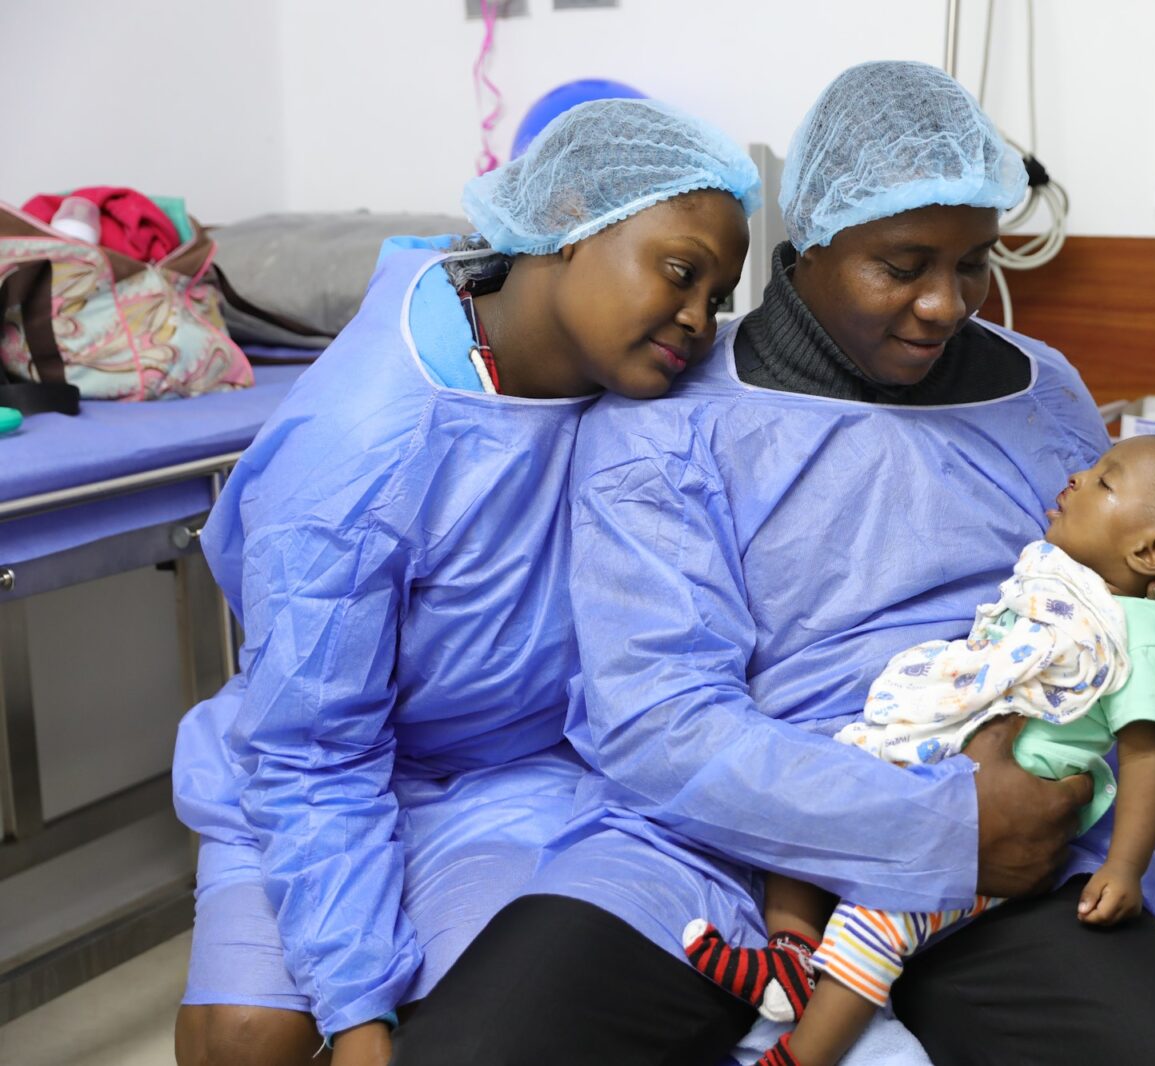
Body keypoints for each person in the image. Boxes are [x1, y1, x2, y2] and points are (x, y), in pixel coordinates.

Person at [393, 61, 1155, 1065]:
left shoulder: (1040, 394)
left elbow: (1091, 589)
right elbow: (658, 721)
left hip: (1004, 844)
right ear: (806, 242)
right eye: (902, 265)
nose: (947, 304)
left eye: (975, 261)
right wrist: (938, 821)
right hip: (719, 840)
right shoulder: (672, 421)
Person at [170, 98, 758, 1066]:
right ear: (565, 225)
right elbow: (315, 749)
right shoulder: (361, 450)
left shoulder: (640, 381)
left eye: (717, 292)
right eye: (679, 271)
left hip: (520, 771)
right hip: (318, 765)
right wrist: (355, 1011)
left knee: (489, 1022)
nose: (698, 317)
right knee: (251, 1036)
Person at [684, 425, 1155, 1066]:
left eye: (1105, 481)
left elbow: (1147, 756)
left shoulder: (1144, 633)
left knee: (875, 926)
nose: (1078, 478)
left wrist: (1123, 867)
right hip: (926, 766)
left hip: (997, 833)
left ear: (1151, 550)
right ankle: (791, 956)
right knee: (814, 818)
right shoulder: (1059, 575)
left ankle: (801, 1054)